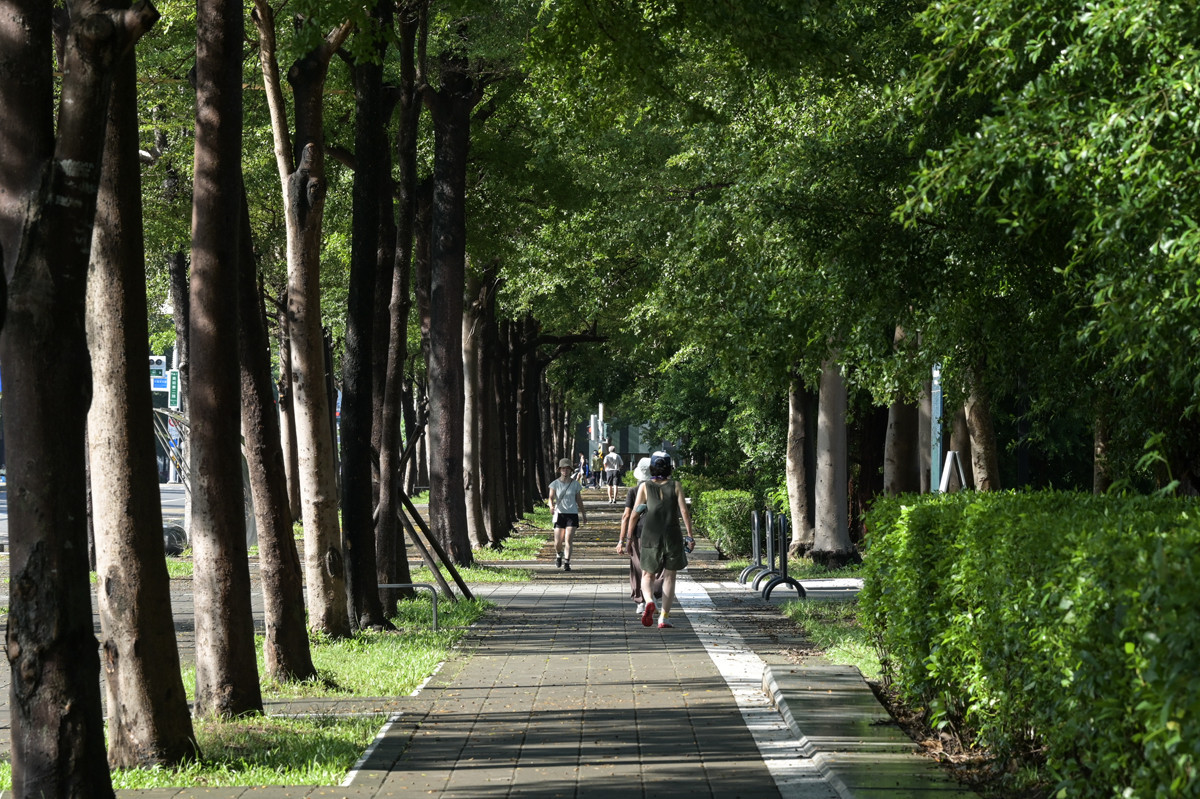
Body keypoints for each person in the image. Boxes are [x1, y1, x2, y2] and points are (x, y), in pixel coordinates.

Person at [628, 451, 694, 629]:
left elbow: (634, 514)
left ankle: (649, 601)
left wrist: (628, 538)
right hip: (672, 535)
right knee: (670, 576)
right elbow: (684, 512)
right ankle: (664, 616)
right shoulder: (676, 485)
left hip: (650, 535)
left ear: (652, 468)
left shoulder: (644, 487)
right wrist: (690, 535)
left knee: (647, 574)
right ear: (669, 467)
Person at [616, 457, 663, 617]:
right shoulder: (663, 489)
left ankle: (641, 601)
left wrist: (623, 540)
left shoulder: (634, 491)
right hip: (660, 532)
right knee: (658, 566)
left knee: (638, 567)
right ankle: (654, 595)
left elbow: (627, 516)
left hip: (638, 533)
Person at [548, 457, 586, 572]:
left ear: (570, 470)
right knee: (558, 541)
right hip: (559, 514)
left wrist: (584, 514)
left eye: (567, 469)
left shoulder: (575, 485)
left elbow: (579, 500)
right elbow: (550, 498)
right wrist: (551, 506)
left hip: (572, 514)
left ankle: (567, 562)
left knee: (568, 539)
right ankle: (559, 554)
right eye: (563, 469)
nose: (565, 471)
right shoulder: (554, 484)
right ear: (560, 470)